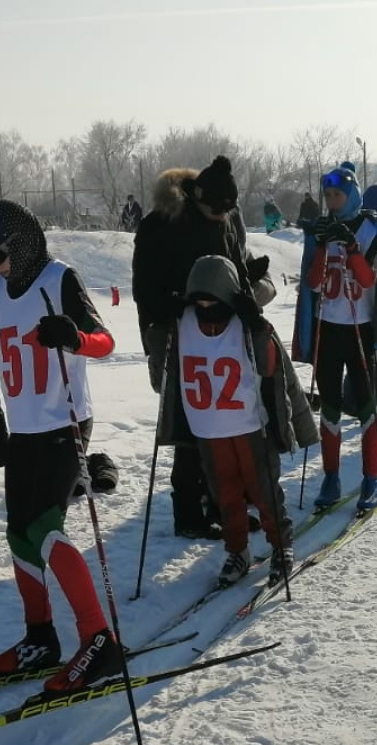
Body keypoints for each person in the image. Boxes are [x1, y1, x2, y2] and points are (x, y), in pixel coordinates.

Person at [0, 199, 123, 694]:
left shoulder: (58, 279)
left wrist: (73, 338)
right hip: (25, 427)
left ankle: (99, 640)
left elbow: (104, 341)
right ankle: (40, 637)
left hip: (64, 420)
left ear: (23, 243)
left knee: (44, 526)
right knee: (19, 533)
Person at [133, 156, 278, 539]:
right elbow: (144, 289)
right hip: (174, 334)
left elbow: (231, 265)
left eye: (228, 211)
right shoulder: (160, 224)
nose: (222, 217)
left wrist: (249, 278)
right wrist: (179, 305)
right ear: (198, 199)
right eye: (216, 210)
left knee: (223, 422)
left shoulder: (224, 218)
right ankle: (188, 513)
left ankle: (221, 504)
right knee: (189, 423)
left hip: (222, 330)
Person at [165, 256, 315, 587]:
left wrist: (257, 326)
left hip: (249, 426)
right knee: (225, 494)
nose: (205, 307)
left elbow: (268, 366)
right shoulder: (182, 322)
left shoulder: (244, 322)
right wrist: (160, 324)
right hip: (208, 428)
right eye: (199, 302)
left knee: (263, 489)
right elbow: (160, 369)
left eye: (212, 301)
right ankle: (237, 549)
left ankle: (281, 545)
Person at [295, 161, 377, 512]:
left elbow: (367, 280)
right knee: (330, 407)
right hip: (328, 328)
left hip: (360, 328)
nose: (331, 200)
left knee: (366, 406)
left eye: (337, 194)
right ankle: (331, 477)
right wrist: (320, 245)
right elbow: (313, 283)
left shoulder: (370, 229)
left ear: (351, 195)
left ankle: (370, 479)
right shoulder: (321, 228)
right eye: (328, 195)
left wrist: (350, 247)